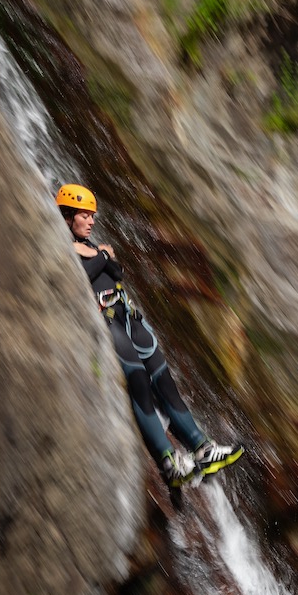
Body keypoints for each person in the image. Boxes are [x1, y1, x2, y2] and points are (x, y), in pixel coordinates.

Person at [56, 183, 243, 488]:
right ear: (67, 217)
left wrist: (101, 257)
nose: (91, 220)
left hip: (130, 318)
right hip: (108, 321)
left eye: (92, 215)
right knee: (140, 383)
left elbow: (118, 271)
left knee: (165, 381)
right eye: (84, 215)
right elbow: (88, 273)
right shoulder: (64, 246)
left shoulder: (90, 246)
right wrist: (102, 257)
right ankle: (170, 462)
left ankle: (203, 448)